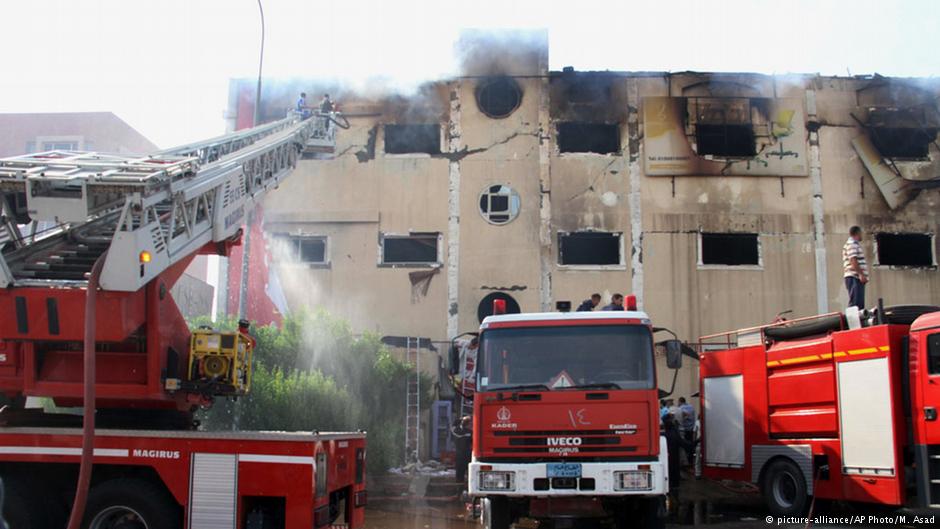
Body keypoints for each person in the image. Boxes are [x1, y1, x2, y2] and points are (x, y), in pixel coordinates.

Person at [842, 226, 869, 309]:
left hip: (856, 277)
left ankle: (857, 319)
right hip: (854, 277)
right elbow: (853, 259)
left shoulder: (853, 244)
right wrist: (860, 274)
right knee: (855, 303)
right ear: (857, 233)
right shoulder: (852, 244)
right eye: (861, 233)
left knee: (859, 303)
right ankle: (853, 321)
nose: (862, 235)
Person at [678, 397, 696, 469]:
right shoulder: (691, 407)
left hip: (685, 429)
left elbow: (685, 415)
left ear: (680, 401)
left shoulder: (681, 408)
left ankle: (686, 462)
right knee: (691, 445)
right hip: (691, 429)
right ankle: (691, 461)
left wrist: (684, 418)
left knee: (685, 446)